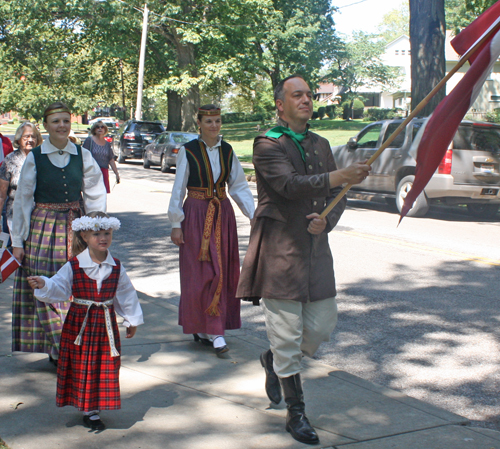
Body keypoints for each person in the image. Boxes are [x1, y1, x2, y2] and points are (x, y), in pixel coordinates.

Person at [236, 75, 371, 445]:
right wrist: (338, 175)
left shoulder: (321, 143)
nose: (307, 100)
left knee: (322, 325)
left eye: (309, 95)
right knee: (287, 334)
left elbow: (338, 194)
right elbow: (289, 185)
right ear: (281, 104)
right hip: (280, 249)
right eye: (298, 95)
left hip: (314, 252)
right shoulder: (267, 143)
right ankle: (296, 413)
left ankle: (272, 360)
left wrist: (328, 220)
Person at [27, 212, 143, 431]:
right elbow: (59, 287)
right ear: (85, 236)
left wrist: (132, 319)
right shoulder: (74, 265)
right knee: (83, 364)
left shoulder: (116, 266)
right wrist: (43, 283)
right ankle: (88, 409)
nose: (103, 238)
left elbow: (126, 293)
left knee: (104, 363)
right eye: (96, 233)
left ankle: (95, 406)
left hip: (105, 324)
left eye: (107, 233)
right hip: (80, 324)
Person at [11, 101, 107, 366]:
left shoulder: (82, 154)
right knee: (43, 284)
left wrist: (95, 230)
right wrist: (18, 240)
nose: (62, 126)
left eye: (66, 120)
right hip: (43, 227)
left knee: (77, 287)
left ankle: (69, 347)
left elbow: (95, 193)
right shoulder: (36, 156)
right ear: (46, 126)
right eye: (56, 122)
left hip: (76, 226)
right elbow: (23, 199)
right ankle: (59, 347)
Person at [168, 104, 254, 355]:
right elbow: (178, 188)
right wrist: (176, 223)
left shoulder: (227, 151)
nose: (214, 126)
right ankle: (206, 327)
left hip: (222, 214)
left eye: (217, 121)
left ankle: (215, 329)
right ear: (200, 124)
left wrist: (252, 214)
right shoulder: (188, 151)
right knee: (200, 273)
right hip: (195, 214)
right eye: (209, 121)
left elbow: (238, 185)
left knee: (223, 271)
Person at [0, 122, 43, 234]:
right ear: (19, 139)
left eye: (33, 136)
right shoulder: (10, 160)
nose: (30, 140)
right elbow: (2, 194)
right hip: (15, 213)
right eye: (26, 136)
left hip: (39, 214)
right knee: (16, 248)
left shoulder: (43, 158)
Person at [83, 121, 120, 193]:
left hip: (103, 172)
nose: (100, 128)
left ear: (105, 130)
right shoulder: (89, 140)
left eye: (102, 127)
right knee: (91, 194)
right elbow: (83, 156)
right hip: (91, 172)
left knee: (102, 195)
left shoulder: (107, 144)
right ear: (94, 129)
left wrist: (116, 174)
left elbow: (111, 160)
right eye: (97, 127)